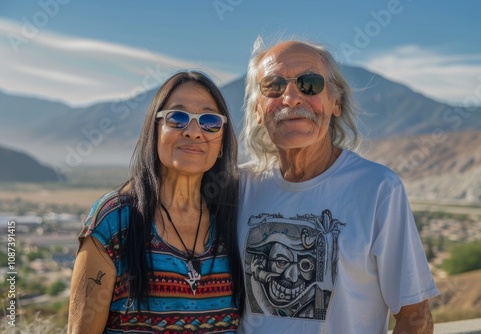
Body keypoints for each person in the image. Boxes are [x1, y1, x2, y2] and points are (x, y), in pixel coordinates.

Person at [237, 38, 440, 333]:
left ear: (336, 102)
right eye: (273, 86)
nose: (291, 98)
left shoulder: (378, 188)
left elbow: (415, 316)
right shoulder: (241, 187)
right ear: (258, 108)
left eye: (310, 84)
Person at [68, 70, 243, 333]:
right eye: (177, 118)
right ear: (155, 130)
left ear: (221, 143)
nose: (194, 132)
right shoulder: (114, 221)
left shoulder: (233, 218)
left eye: (209, 122)